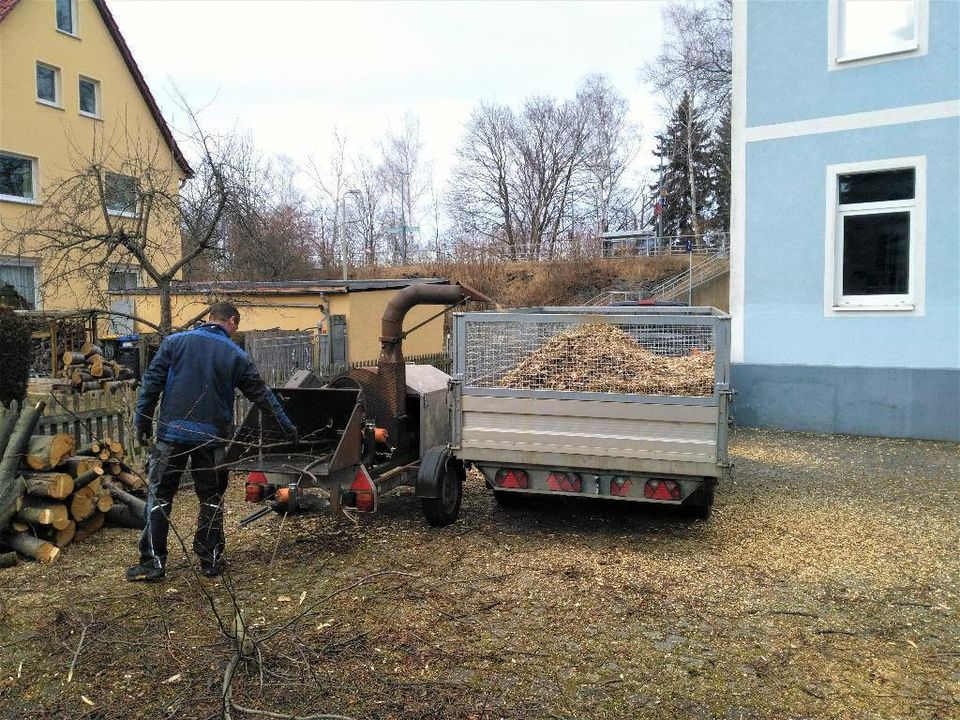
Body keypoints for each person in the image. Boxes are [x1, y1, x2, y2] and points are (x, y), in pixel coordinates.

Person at [126, 302, 297, 582]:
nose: (234, 332)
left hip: (171, 435)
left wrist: (142, 424)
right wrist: (288, 429)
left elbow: (151, 385)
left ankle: (153, 563)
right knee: (212, 498)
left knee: (160, 496)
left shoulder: (173, 343)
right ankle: (210, 560)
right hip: (213, 438)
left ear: (209, 319)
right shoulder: (235, 354)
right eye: (235, 327)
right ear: (230, 321)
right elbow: (262, 395)